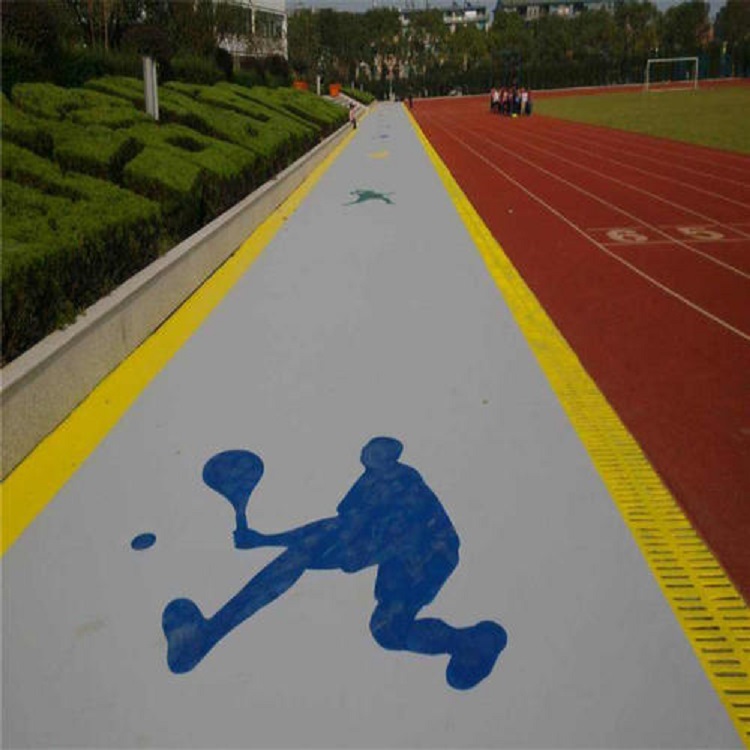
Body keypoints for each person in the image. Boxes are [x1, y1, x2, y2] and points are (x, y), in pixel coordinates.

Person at [162, 438, 507, 690]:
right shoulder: (379, 490)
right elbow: (333, 532)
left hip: (420, 550)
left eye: (377, 452)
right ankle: (210, 633)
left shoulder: (400, 485)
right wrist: (266, 541)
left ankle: (210, 633)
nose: (370, 456)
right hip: (409, 556)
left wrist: (269, 541)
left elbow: (334, 532)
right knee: (378, 620)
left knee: (382, 624)